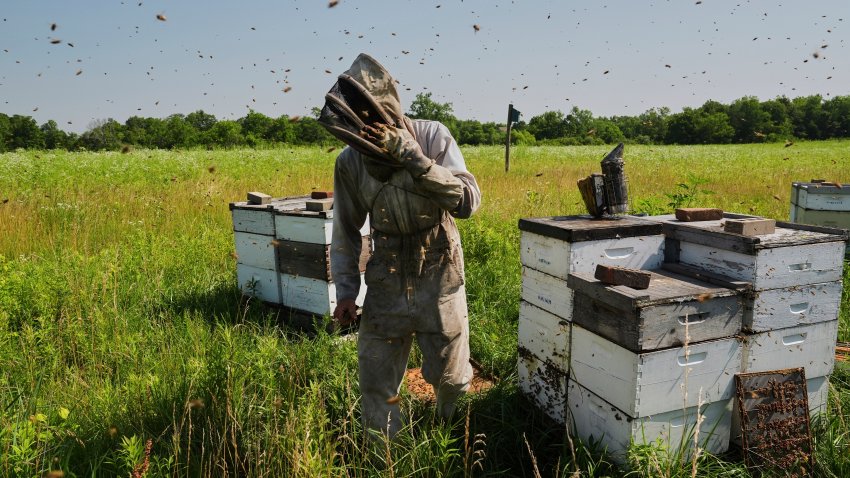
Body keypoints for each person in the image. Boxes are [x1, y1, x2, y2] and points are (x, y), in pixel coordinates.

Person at [318, 53, 481, 438]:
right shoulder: (350, 162)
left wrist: (415, 160)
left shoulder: (432, 136)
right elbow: (345, 230)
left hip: (439, 272)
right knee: (375, 378)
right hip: (387, 277)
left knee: (452, 379)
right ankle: (386, 455)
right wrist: (345, 292)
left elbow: (468, 202)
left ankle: (448, 436)